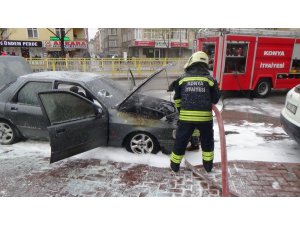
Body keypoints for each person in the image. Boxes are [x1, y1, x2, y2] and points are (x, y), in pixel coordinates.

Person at [170, 51, 221, 173]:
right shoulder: (210, 80)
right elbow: (215, 99)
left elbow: (177, 99)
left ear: (191, 63)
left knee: (181, 141)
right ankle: (208, 167)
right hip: (205, 119)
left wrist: (181, 110)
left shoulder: (182, 79)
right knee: (207, 142)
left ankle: (175, 166)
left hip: (186, 119)